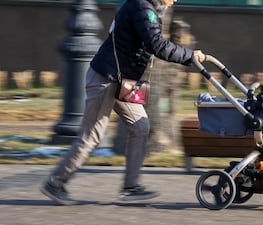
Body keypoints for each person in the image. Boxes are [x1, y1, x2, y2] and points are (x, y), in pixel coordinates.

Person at [40, 0, 206, 205]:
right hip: (106, 79)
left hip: (124, 81)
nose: (174, 0)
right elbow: (157, 45)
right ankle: (55, 183)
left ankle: (131, 187)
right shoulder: (142, 7)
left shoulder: (150, 9)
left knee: (140, 126)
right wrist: (190, 55)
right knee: (92, 135)